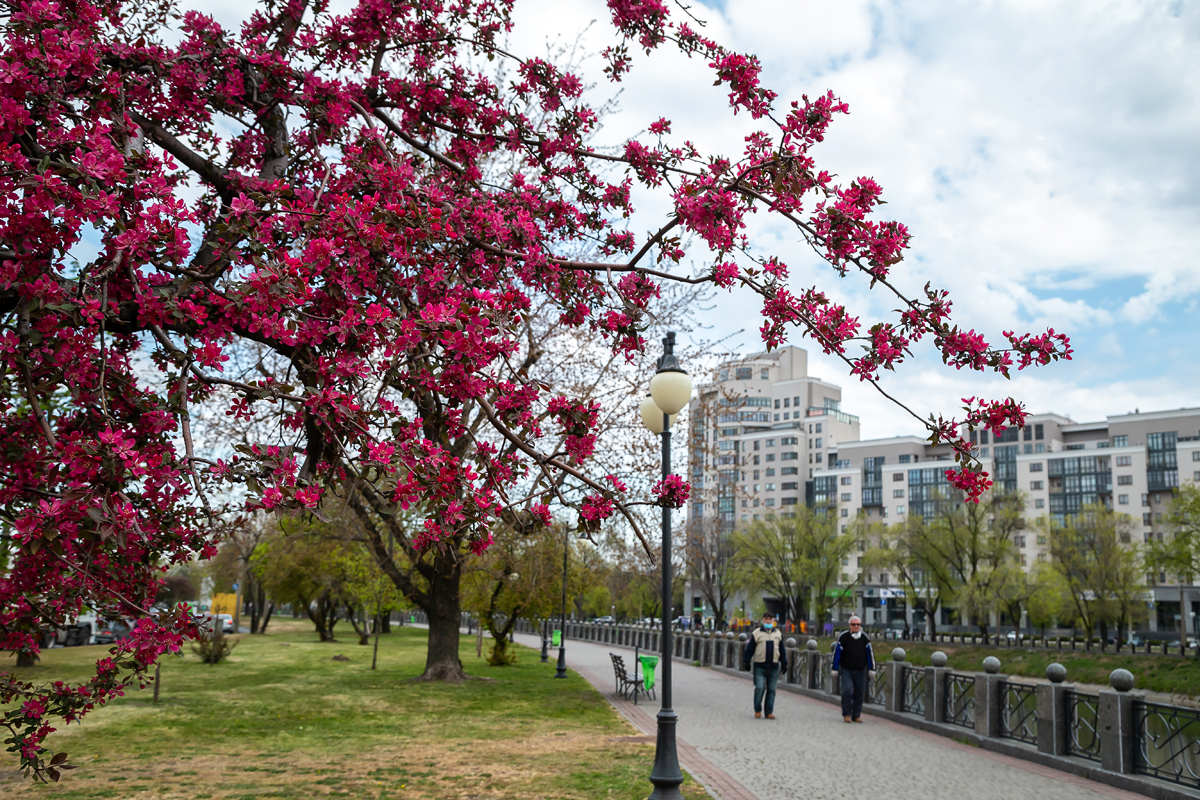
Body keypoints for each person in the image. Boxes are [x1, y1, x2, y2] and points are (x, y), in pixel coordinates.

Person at [742, 612, 787, 719]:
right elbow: (750, 649)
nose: (768, 621)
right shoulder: (757, 633)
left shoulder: (778, 634)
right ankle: (757, 709)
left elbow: (782, 650)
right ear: (763, 620)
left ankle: (769, 712)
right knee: (760, 688)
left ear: (774, 621)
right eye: (766, 619)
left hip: (773, 666)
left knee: (772, 690)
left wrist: (784, 663)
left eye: (770, 619)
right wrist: (746, 661)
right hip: (760, 665)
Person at [832, 615, 875, 723]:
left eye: (858, 624)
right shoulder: (844, 637)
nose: (856, 626)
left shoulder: (865, 638)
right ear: (850, 625)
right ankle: (846, 713)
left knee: (859, 692)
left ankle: (856, 715)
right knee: (847, 690)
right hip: (847, 669)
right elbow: (837, 653)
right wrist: (835, 668)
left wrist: (872, 668)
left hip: (860, 670)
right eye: (854, 624)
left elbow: (870, 654)